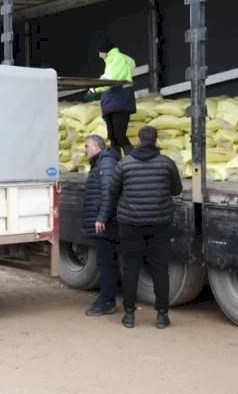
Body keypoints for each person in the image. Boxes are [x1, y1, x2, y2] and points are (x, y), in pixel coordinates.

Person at [97, 126, 183, 329]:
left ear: (137, 140)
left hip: (130, 224)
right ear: (156, 140)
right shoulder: (166, 163)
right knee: (160, 269)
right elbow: (176, 189)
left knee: (131, 268)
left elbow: (113, 190)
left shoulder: (124, 164)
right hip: (160, 223)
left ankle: (129, 315)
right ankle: (162, 316)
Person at [81, 134, 121, 316]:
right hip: (103, 223)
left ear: (96, 148)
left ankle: (107, 301)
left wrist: (102, 218)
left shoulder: (105, 164)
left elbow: (108, 193)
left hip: (105, 224)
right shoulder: (101, 164)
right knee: (105, 262)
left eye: (87, 146)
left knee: (106, 263)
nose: (85, 149)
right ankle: (106, 298)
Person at [87, 39, 137, 157]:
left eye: (100, 52)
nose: (99, 55)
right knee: (112, 135)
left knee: (119, 134)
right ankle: (115, 161)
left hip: (120, 102)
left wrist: (94, 89)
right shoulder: (111, 61)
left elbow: (110, 79)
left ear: (106, 51)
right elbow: (107, 76)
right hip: (113, 102)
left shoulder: (118, 59)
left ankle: (132, 160)